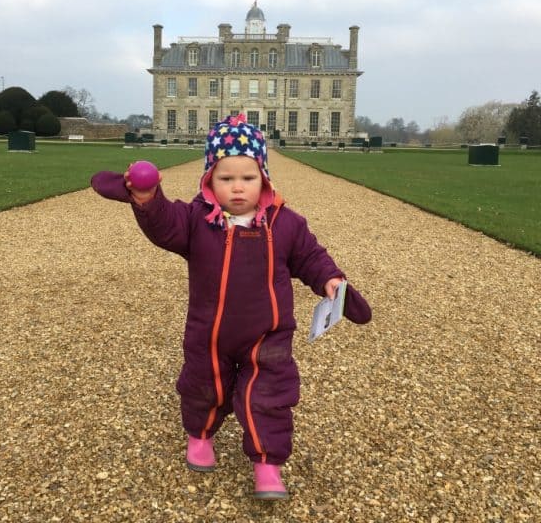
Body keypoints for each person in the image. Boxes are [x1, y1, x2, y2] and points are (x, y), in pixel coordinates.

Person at [91, 113, 371, 500]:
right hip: (210, 333)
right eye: (225, 178)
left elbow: (310, 257)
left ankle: (268, 466)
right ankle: (200, 437)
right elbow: (165, 224)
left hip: (268, 334)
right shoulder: (195, 220)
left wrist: (331, 281)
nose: (237, 188)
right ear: (209, 179)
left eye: (248, 178)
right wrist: (146, 198)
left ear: (265, 179)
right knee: (204, 388)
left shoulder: (286, 224)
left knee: (269, 398)